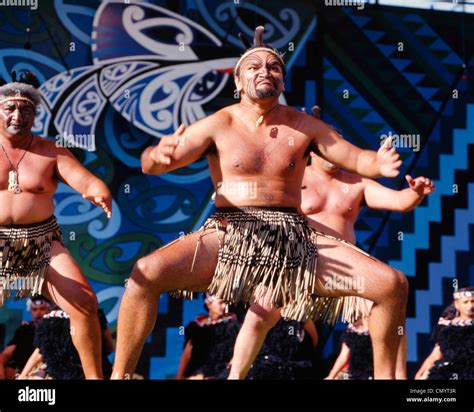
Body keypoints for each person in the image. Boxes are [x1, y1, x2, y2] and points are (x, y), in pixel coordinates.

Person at [112, 25, 407, 380]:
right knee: (144, 275)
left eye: (274, 67)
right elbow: (153, 164)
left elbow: (356, 158)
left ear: (282, 81)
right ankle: (119, 377)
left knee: (391, 285)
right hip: (228, 234)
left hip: (294, 240)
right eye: (254, 67)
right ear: (237, 81)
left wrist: (379, 162)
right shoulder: (218, 124)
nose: (265, 72)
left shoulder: (304, 126)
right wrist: (157, 154)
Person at [231, 106, 435, 379]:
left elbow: (399, 202)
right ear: (313, 149)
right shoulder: (292, 179)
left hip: (343, 266)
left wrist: (416, 193)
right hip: (297, 263)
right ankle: (235, 377)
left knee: (388, 304)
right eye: (329, 144)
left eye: (340, 145)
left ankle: (393, 378)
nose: (336, 151)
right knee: (259, 315)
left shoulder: (357, 183)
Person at [0, 72, 112, 379]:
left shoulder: (51, 151)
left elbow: (84, 179)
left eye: (26, 109)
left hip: (41, 239)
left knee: (85, 303)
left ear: (35, 116)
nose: (18, 114)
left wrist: (97, 190)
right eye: (10, 107)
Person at [18, 308, 114, 380]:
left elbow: (39, 353)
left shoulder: (48, 321)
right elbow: (109, 348)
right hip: (98, 374)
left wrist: (22, 375)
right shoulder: (94, 316)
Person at [415, 287, 474, 380]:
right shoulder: (447, 326)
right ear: (457, 304)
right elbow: (436, 353)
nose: (470, 306)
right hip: (449, 371)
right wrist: (421, 373)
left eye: (473, 301)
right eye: (465, 302)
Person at [176, 294, 240, 379]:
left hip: (223, 371)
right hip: (199, 372)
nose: (224, 306)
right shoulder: (196, 326)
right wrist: (179, 377)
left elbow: (239, 351)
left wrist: (227, 373)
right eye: (220, 303)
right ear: (209, 304)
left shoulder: (233, 324)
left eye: (225, 303)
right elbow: (186, 354)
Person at [0, 295, 51, 379]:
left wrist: (23, 375)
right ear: (30, 311)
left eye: (42, 309)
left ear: (49, 310)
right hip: (16, 370)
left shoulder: (53, 330)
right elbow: (7, 353)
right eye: (34, 309)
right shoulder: (24, 330)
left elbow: (39, 355)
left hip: (40, 371)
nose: (38, 313)